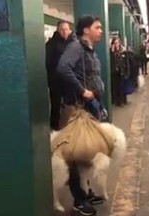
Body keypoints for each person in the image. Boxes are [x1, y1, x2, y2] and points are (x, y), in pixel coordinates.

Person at [57, 15, 106, 216]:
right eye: (98, 27)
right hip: (77, 109)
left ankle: (85, 191)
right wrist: (81, 90)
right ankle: (79, 199)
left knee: (87, 153)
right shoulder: (76, 48)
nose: (101, 30)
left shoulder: (88, 50)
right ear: (86, 30)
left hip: (89, 108)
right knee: (77, 155)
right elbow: (63, 68)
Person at [45, 21, 75, 131]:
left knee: (71, 104)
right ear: (58, 30)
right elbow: (47, 62)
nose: (64, 32)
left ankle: (70, 125)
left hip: (69, 80)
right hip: (55, 80)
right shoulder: (51, 44)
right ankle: (55, 127)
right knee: (55, 104)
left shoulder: (73, 43)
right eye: (62, 29)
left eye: (66, 29)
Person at [110, 38, 128, 106]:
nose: (116, 44)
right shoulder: (111, 52)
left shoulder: (122, 51)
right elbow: (110, 61)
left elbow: (126, 62)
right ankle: (115, 101)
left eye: (117, 43)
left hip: (121, 72)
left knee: (121, 87)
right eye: (115, 43)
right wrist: (111, 51)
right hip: (114, 72)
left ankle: (120, 101)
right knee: (115, 87)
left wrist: (126, 71)